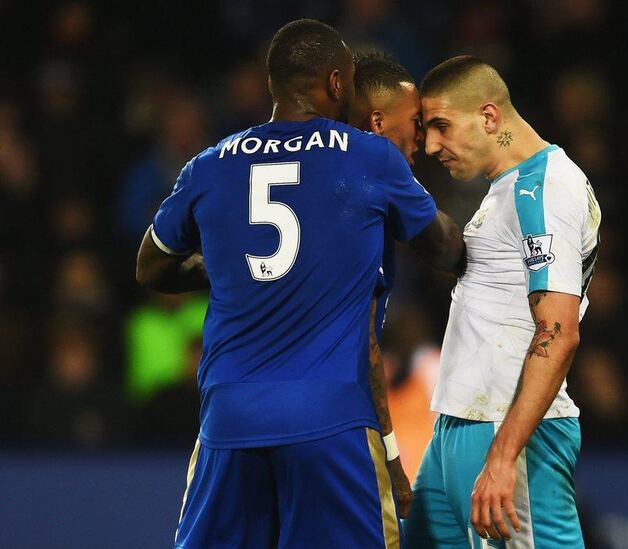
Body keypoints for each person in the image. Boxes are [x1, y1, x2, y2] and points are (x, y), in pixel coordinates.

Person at [135, 20, 463, 549]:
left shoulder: (209, 164)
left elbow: (150, 268)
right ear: (337, 85)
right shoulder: (367, 156)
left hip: (230, 416)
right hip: (329, 418)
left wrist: (224, 267)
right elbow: (445, 249)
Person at [404, 56, 601, 548]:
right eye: (426, 130)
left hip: (506, 434)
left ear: (489, 117)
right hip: (460, 424)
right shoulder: (506, 190)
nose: (430, 146)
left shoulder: (546, 188)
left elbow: (558, 333)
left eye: (441, 127)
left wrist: (503, 456)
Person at [349, 49, 426, 519]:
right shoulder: (371, 175)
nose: (423, 136)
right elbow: (362, 339)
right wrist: (394, 463)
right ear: (377, 122)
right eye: (416, 120)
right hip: (336, 420)